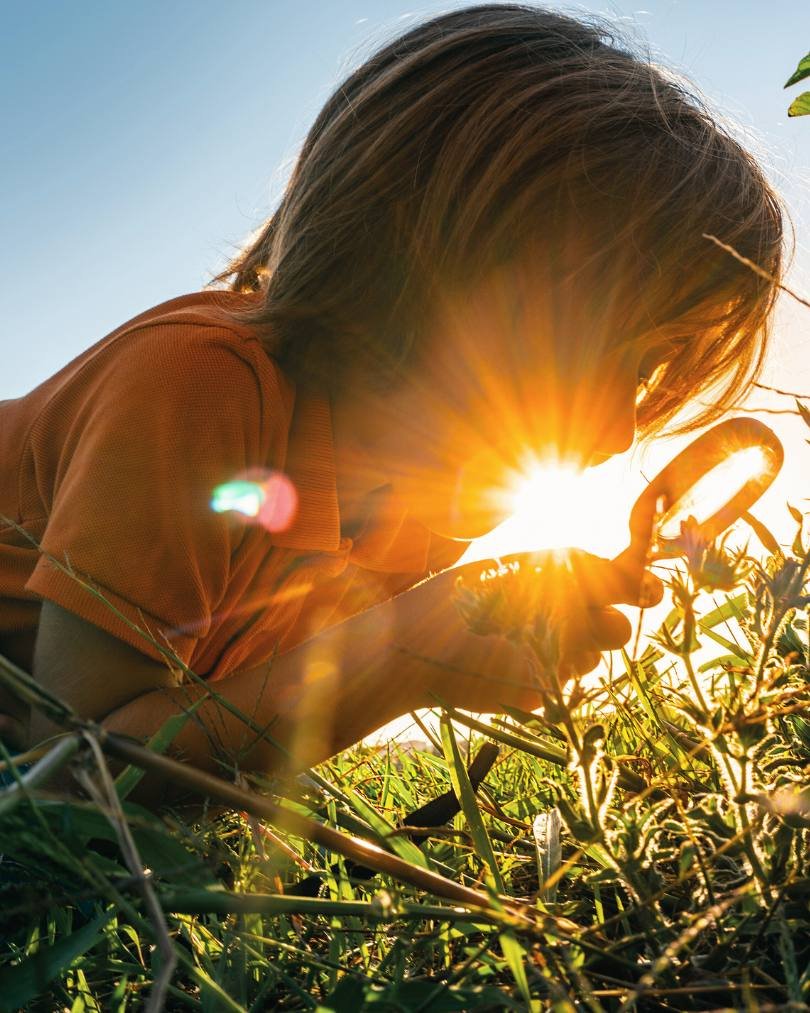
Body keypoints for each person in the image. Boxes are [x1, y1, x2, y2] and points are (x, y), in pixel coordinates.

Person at [0, 4, 784, 805]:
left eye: (647, 373)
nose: (620, 432)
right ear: (417, 274)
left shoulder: (422, 513)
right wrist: (400, 655)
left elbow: (225, 722)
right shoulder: (197, 389)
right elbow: (67, 776)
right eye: (593, 351)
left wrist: (448, 650)